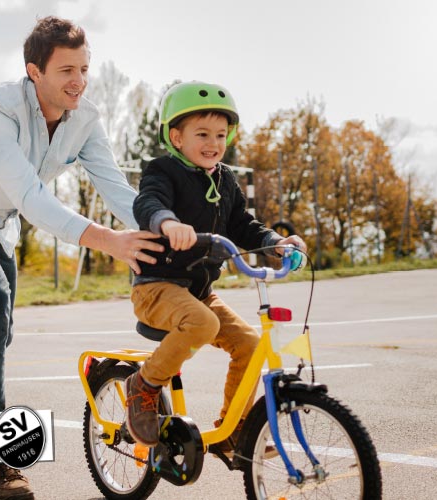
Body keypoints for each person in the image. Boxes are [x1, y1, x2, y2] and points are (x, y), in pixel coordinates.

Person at [0, 17, 162, 500]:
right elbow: (27, 193)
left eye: (84, 68)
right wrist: (108, 241)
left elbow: (116, 188)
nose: (78, 80)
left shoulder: (85, 118)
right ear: (33, 71)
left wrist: (161, 224)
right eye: (66, 69)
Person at [124, 82, 307, 457]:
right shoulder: (162, 170)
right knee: (203, 324)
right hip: (156, 287)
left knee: (251, 345)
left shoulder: (225, 180)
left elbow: (242, 224)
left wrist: (275, 241)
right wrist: (166, 222)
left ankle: (233, 431)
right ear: (176, 137)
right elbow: (149, 202)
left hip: (199, 292)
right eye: (202, 134)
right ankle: (144, 385)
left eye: (221, 135)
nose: (214, 142)